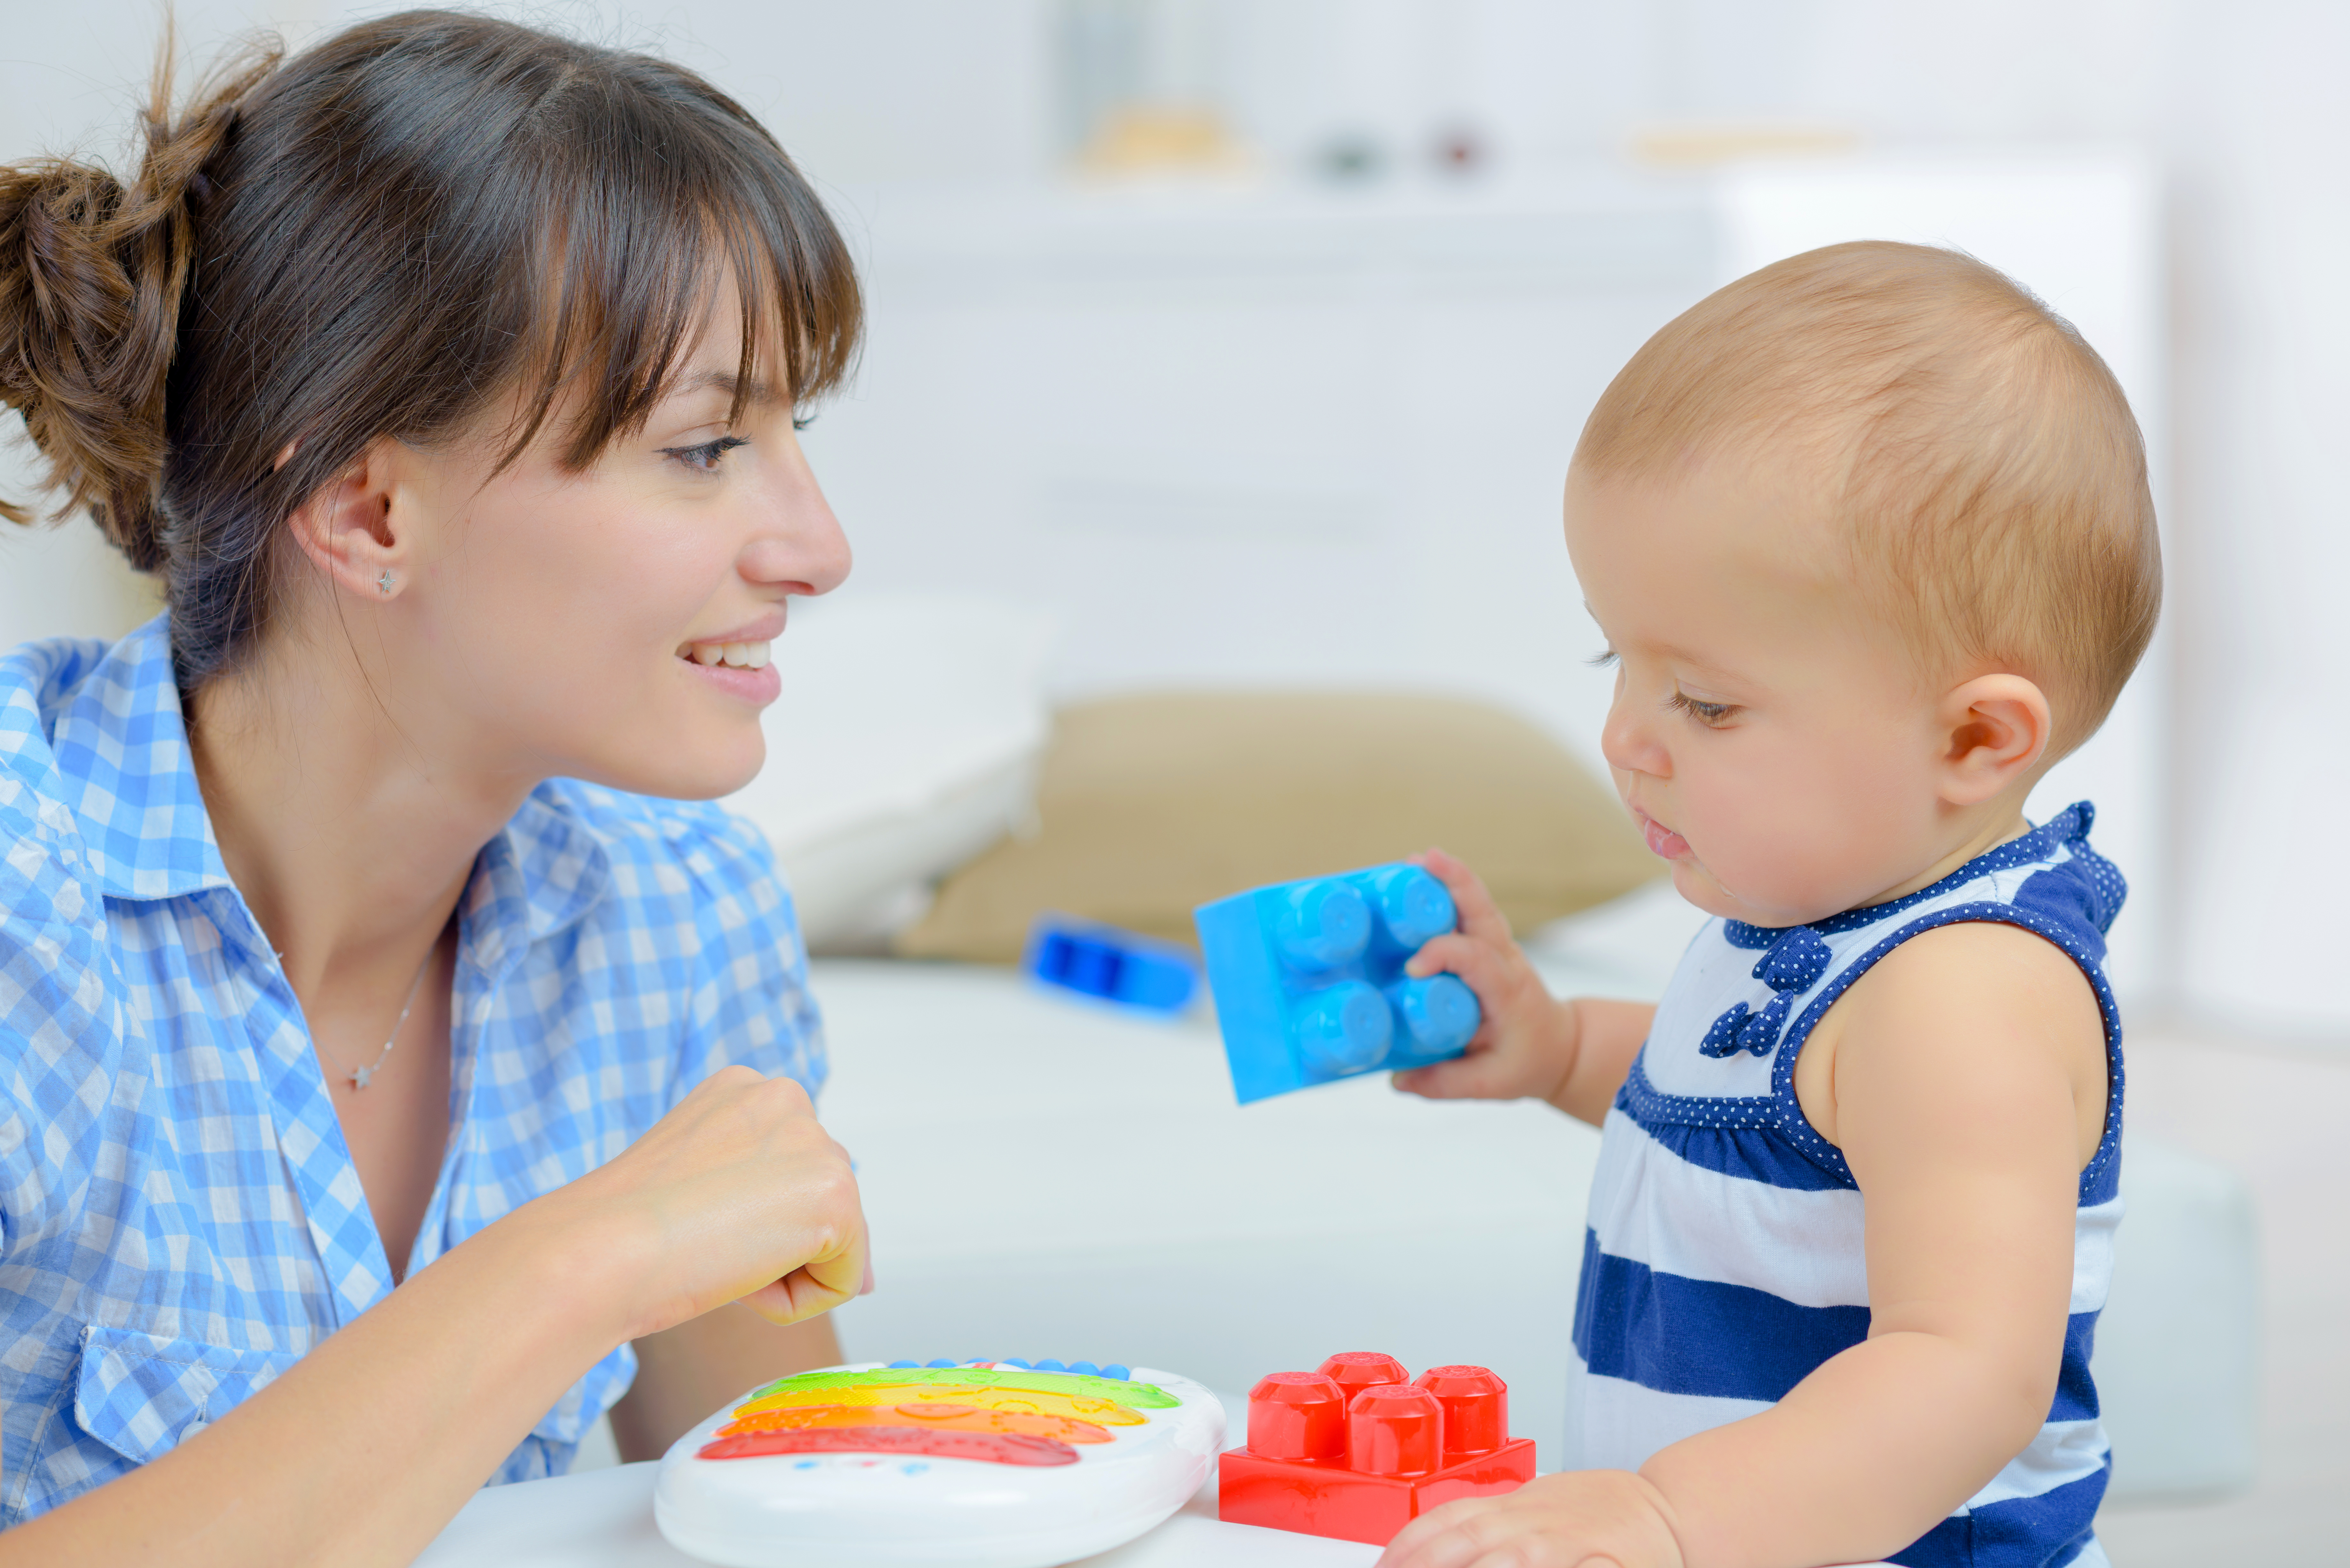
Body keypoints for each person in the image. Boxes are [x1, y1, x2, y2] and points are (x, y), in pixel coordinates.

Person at [0, 11, 872, 1560]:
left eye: (788, 433)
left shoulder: (680, 915)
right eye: (701, 447)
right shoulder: (26, 911)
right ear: (370, 513)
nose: (815, 548)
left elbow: (782, 1523)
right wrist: (576, 1263)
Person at [1379, 243, 2157, 1568]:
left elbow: (1966, 1364)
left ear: (1973, 738)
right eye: (1613, 658)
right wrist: (1563, 1049)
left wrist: (1672, 1511)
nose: (1627, 735)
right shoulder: (1822, 925)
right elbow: (1773, 1118)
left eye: (1707, 701)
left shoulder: (1961, 997)